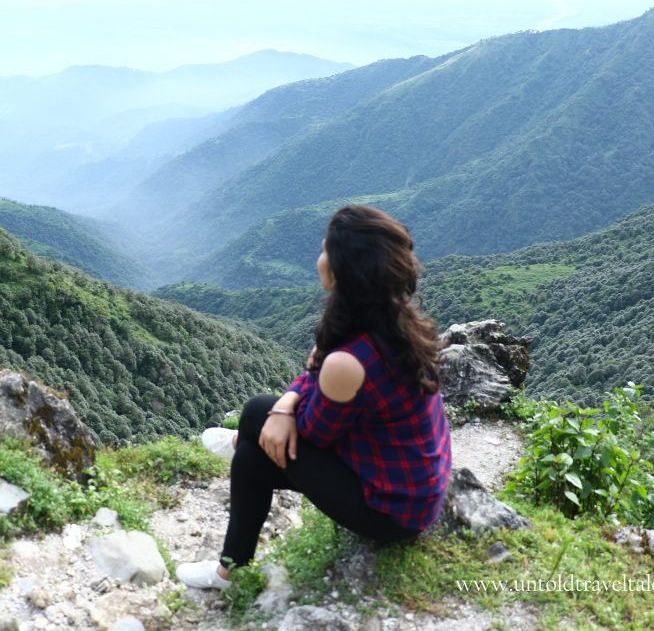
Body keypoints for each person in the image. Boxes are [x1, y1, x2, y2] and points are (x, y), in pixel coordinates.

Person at [177, 205, 452, 590]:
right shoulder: (393, 317)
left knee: (258, 413)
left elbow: (315, 434)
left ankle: (243, 438)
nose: (318, 258)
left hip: (392, 512)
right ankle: (230, 569)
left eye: (325, 250)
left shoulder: (348, 360)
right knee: (254, 452)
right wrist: (289, 401)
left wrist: (282, 406)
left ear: (342, 270)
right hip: (415, 486)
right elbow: (311, 378)